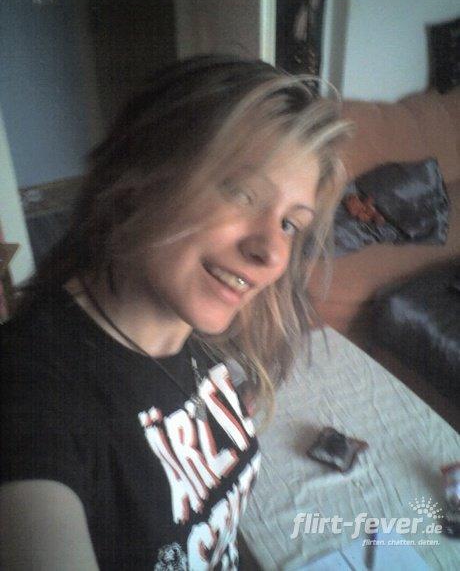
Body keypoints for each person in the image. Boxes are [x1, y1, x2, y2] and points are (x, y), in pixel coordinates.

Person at [0, 55, 349, 570]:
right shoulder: (30, 391)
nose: (272, 253)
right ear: (139, 175)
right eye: (241, 193)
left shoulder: (200, 325)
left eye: (290, 225)